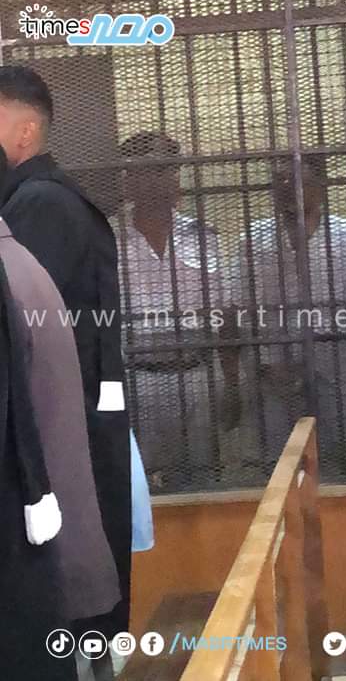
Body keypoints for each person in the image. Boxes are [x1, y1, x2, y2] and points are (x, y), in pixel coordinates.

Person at [0, 66, 131, 650]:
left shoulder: (37, 207)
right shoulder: (51, 198)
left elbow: (23, 336)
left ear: (24, 131)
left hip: (60, 423)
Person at [232, 155, 346, 476]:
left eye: (297, 180)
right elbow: (243, 310)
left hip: (335, 362)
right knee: (280, 464)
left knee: (333, 458)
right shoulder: (252, 240)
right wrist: (266, 364)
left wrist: (344, 362)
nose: (287, 187)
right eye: (279, 181)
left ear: (321, 185)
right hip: (273, 367)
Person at [114, 131, 240, 491]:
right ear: (128, 179)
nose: (158, 181)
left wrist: (232, 383)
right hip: (136, 378)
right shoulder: (108, 238)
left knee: (202, 481)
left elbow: (225, 314)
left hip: (196, 375)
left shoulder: (202, 236)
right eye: (146, 171)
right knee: (137, 485)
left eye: (165, 170)